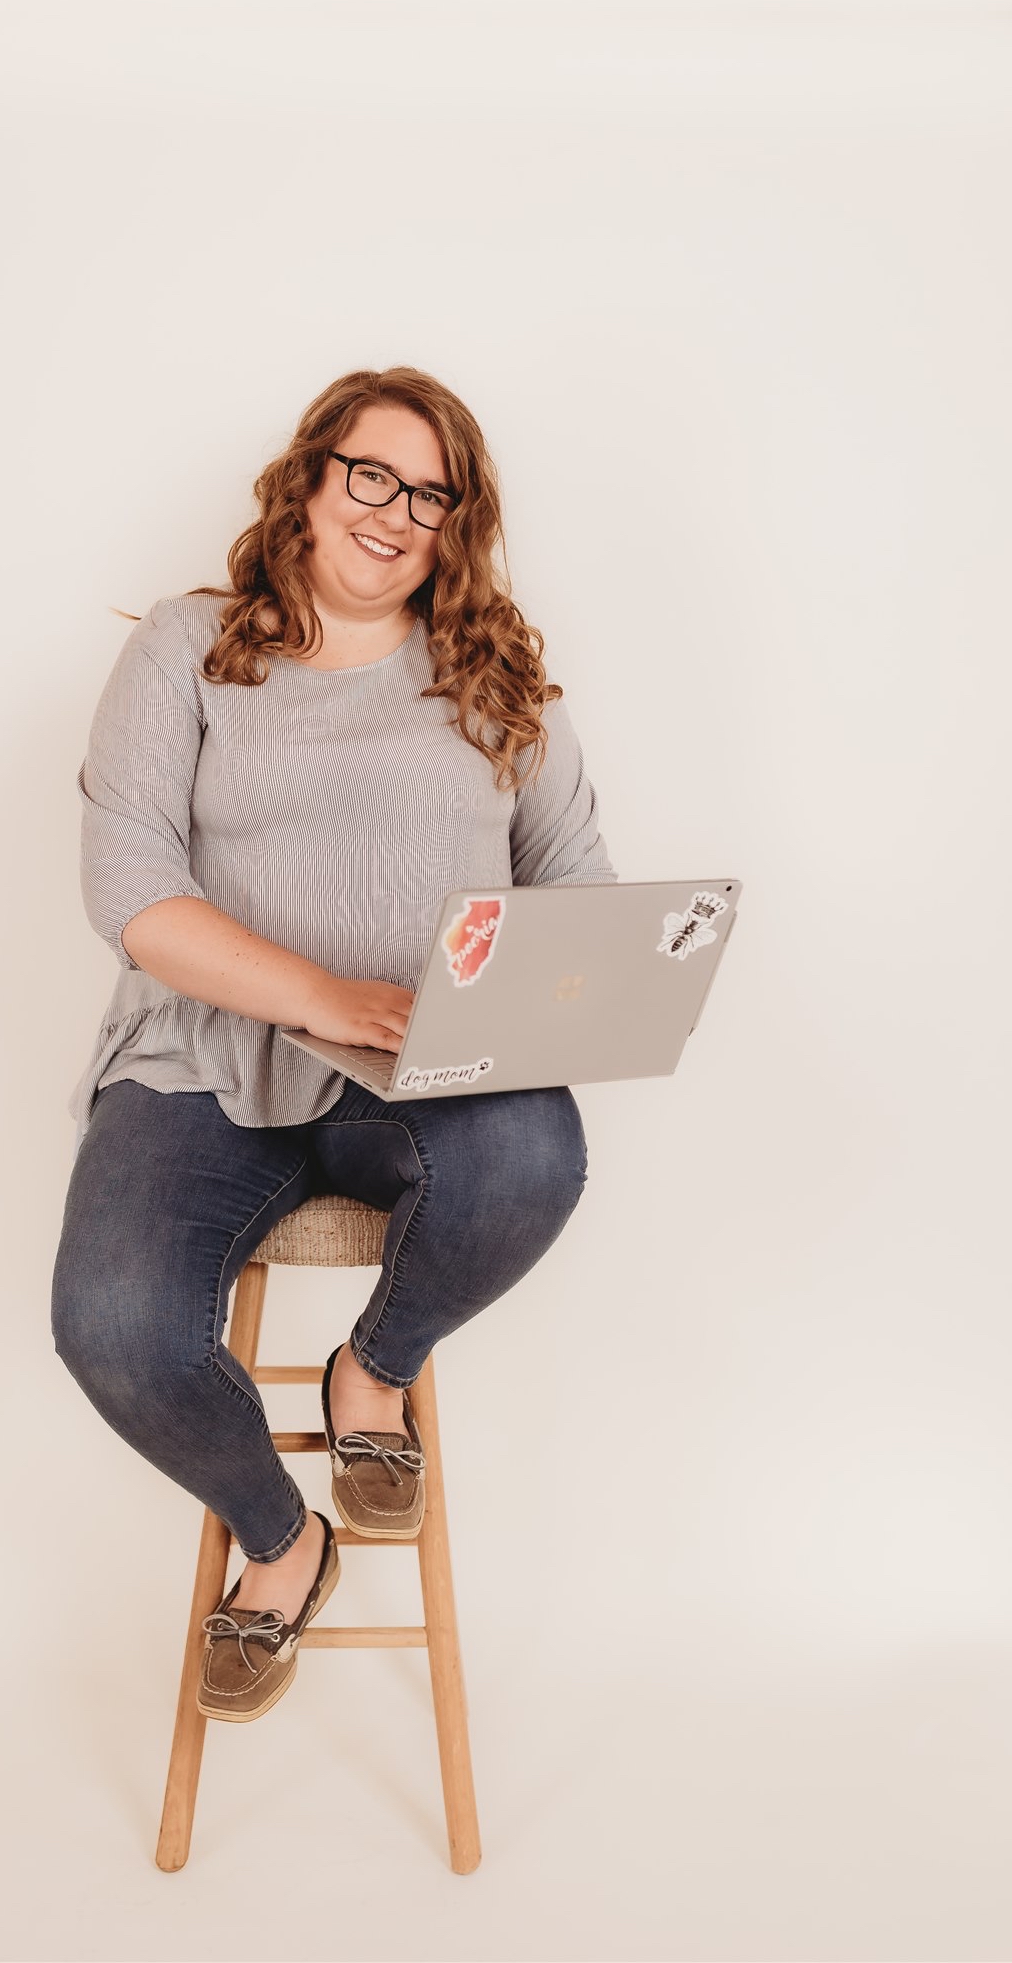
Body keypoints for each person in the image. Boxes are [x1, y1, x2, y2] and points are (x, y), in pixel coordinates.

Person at [50, 366, 618, 1722]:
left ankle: (377, 1370)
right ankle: (282, 1540)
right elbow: (128, 893)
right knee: (113, 1328)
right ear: (306, 480)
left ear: (453, 520)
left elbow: (576, 885)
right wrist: (321, 994)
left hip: (417, 1074)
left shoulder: (492, 671)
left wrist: (554, 992)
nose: (396, 511)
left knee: (536, 1154)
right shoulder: (187, 644)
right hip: (201, 1065)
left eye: (431, 492)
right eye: (370, 474)